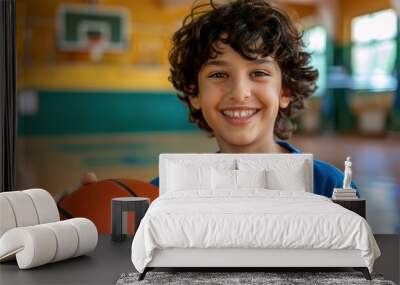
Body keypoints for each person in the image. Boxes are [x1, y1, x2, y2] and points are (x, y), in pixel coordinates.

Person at [149, 0, 357, 197]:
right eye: (219, 75)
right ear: (195, 92)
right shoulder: (166, 190)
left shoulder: (330, 185)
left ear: (284, 90)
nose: (240, 93)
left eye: (258, 73)